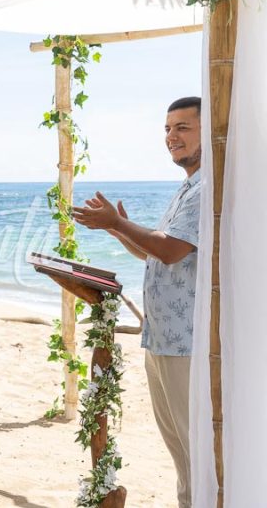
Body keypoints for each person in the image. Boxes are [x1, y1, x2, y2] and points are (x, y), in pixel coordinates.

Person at [73, 96, 202, 508]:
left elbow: (171, 250)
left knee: (194, 448)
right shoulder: (188, 187)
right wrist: (117, 230)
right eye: (167, 128)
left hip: (186, 344)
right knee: (180, 450)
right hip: (162, 339)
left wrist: (118, 221)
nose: (171, 136)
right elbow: (154, 253)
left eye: (182, 127)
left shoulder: (206, 188)